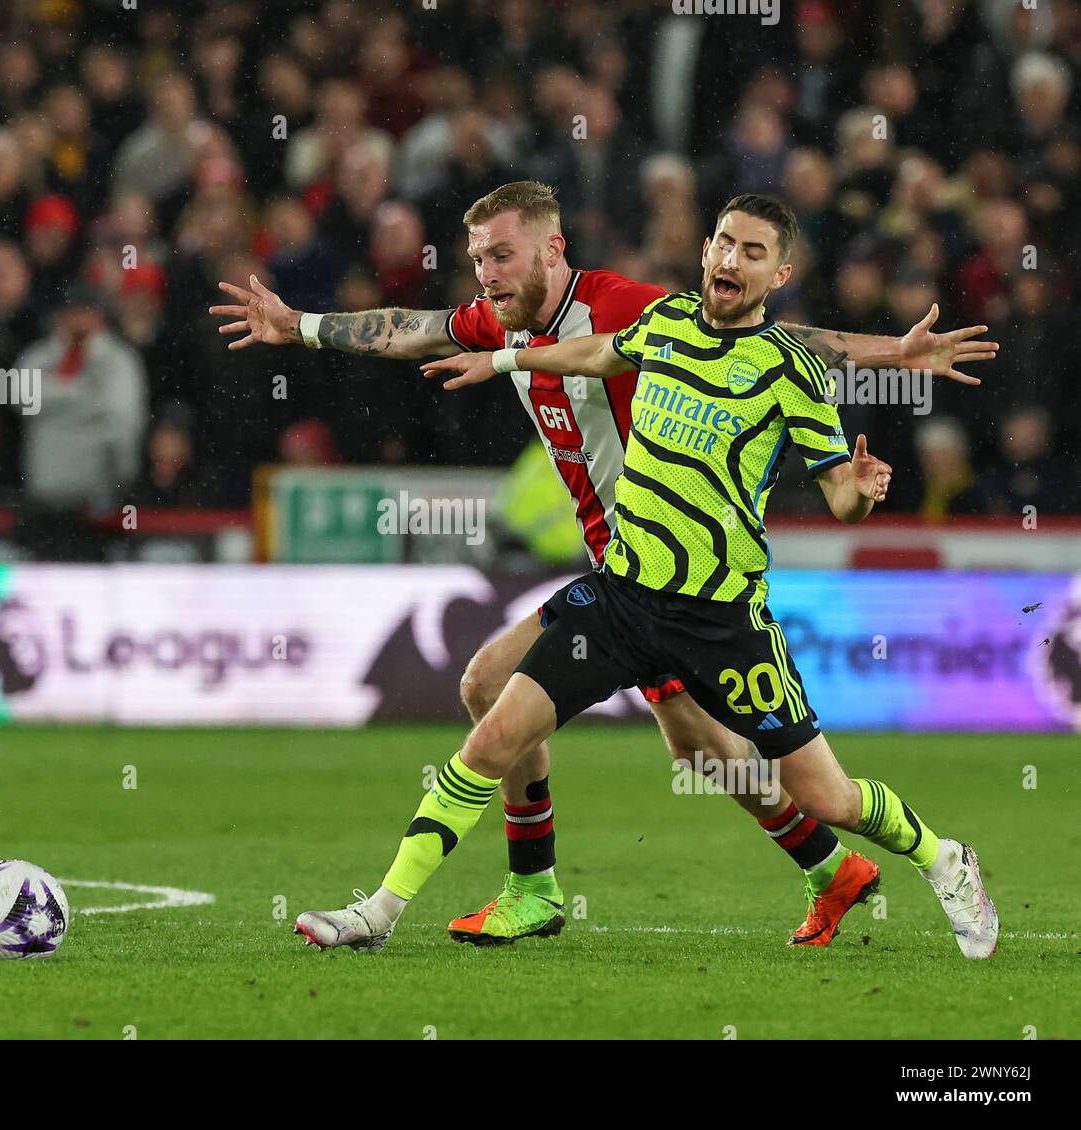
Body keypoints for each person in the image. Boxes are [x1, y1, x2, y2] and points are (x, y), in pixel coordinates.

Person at [212, 181, 998, 948]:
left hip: (709, 592)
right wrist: (304, 327)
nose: (486, 276)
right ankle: (459, 900)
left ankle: (851, 861)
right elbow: (422, 329)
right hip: (622, 579)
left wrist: (892, 352)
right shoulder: (537, 323)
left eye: (502, 257)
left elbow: (789, 345)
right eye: (478, 259)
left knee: (739, 763)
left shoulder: (635, 306)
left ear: (552, 250)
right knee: (516, 701)